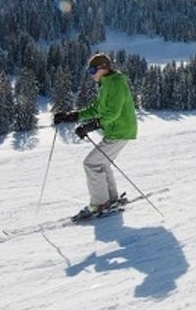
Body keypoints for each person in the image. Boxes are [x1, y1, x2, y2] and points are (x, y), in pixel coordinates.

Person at [53, 53, 139, 221]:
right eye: (88, 70)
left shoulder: (116, 83)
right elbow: (97, 108)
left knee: (91, 163)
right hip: (116, 130)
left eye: (93, 70)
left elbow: (113, 113)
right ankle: (110, 199)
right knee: (101, 163)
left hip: (120, 130)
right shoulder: (106, 83)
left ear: (104, 68)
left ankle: (100, 203)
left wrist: (91, 126)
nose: (91, 74)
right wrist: (72, 116)